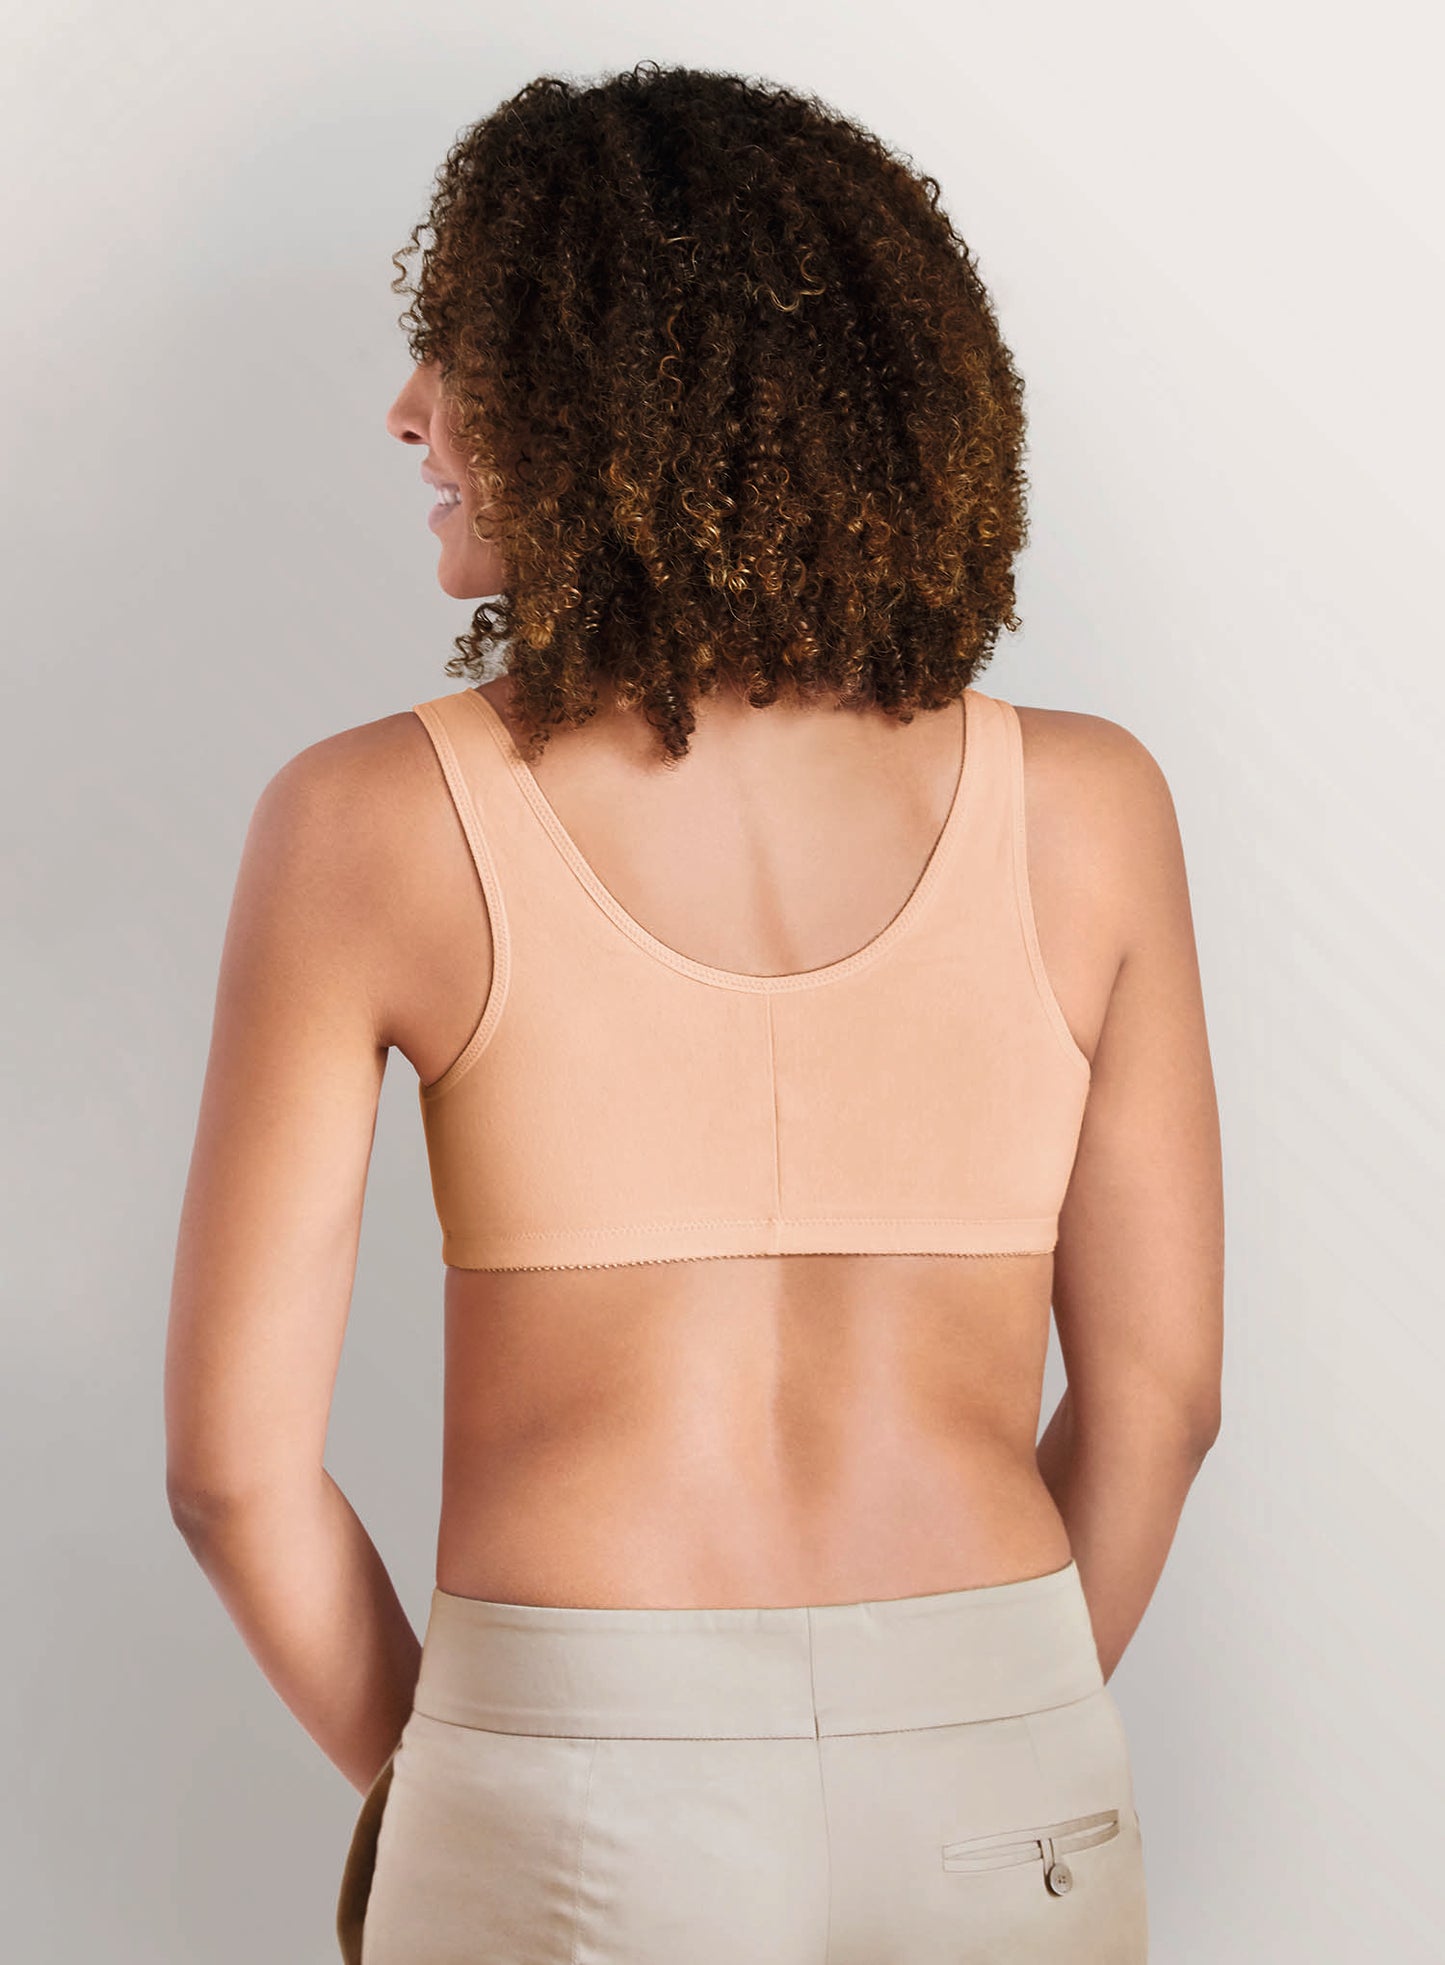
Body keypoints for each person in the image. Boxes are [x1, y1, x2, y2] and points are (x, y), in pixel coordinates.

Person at [164, 62, 1222, 1964]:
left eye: (466, 352)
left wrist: (460, 1789)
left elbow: (233, 1475)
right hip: (1005, 1744)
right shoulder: (1090, 808)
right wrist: (990, 1723)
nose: (408, 411)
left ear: (617, 396)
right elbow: (1158, 1402)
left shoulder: (370, 820)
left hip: (571, 1768)